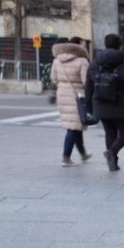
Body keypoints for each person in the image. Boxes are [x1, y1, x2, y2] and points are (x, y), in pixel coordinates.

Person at [85, 33, 124, 172]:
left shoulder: (94, 64)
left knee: (110, 133)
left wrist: (89, 107)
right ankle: (112, 153)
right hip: (123, 106)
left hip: (101, 105)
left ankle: (113, 163)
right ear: (119, 45)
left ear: (105, 44)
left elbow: (88, 88)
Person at [50, 36, 91, 166]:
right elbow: (86, 82)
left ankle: (83, 154)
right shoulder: (82, 61)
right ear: (78, 46)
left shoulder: (57, 60)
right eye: (83, 44)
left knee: (75, 126)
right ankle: (65, 157)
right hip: (77, 96)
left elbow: (53, 79)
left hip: (62, 95)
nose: (85, 47)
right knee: (73, 128)